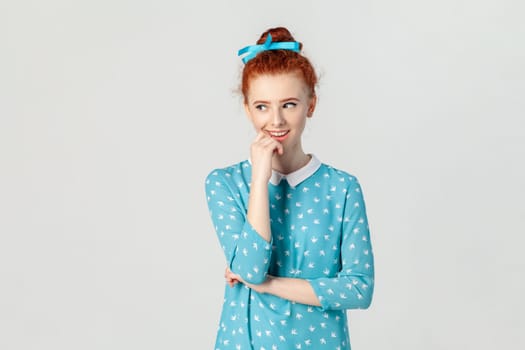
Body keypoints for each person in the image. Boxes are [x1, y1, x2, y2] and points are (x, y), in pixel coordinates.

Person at [204, 26, 375, 350]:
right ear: (247, 109)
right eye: (262, 106)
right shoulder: (225, 184)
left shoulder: (342, 189)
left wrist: (269, 285)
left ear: (311, 104)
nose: (277, 121)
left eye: (290, 104)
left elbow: (358, 289)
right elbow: (250, 268)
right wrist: (260, 177)